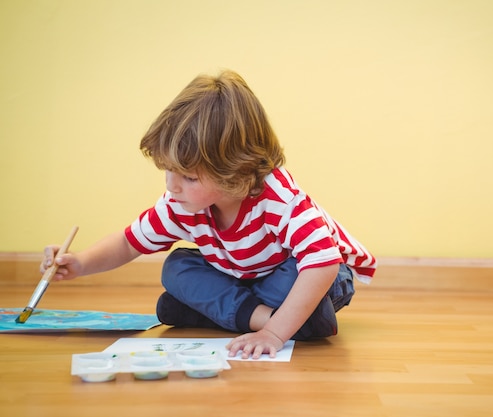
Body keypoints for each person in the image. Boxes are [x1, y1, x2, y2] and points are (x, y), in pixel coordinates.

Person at [41, 70, 376, 359]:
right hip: (244, 279)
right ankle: (276, 318)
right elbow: (130, 243)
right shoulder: (180, 204)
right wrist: (81, 263)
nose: (172, 186)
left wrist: (273, 336)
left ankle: (240, 315)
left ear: (236, 170)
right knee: (177, 268)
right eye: (168, 171)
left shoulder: (278, 198)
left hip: (314, 277)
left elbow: (323, 261)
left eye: (188, 177)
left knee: (295, 275)